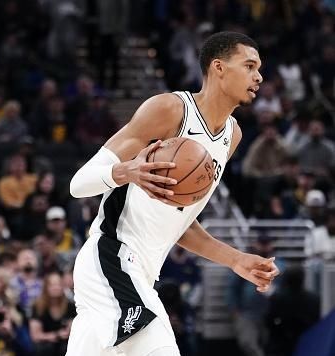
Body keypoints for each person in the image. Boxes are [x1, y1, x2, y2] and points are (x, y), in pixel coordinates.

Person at [66, 31, 280, 356]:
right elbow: (78, 184)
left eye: (259, 68)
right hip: (112, 257)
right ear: (218, 67)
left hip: (141, 273)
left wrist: (236, 260)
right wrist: (125, 171)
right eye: (249, 65)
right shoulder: (170, 109)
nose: (259, 76)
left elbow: (181, 225)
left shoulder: (231, 137)